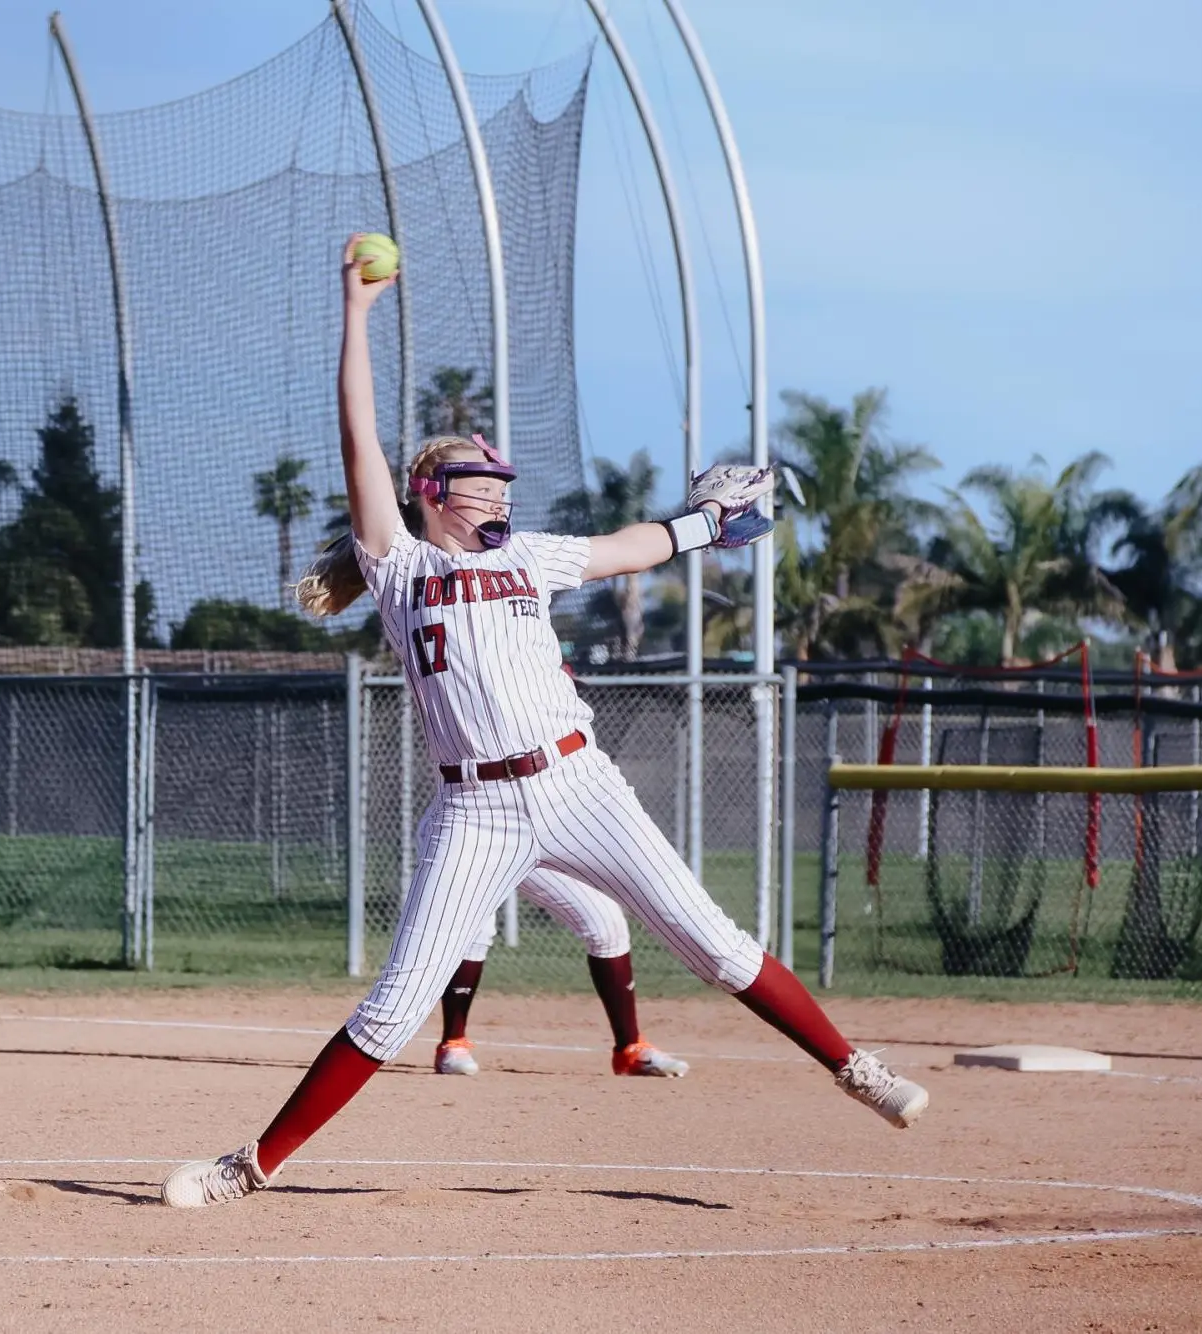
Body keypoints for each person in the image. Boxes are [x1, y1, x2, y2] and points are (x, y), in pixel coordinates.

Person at [160, 238, 927, 1208]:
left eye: (498, 475)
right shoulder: (402, 565)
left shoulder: (533, 553)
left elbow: (629, 546)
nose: (497, 486)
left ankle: (856, 1067)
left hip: (575, 781)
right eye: (478, 475)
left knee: (713, 944)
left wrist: (705, 520)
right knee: (395, 1006)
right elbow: (358, 436)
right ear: (431, 493)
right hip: (473, 811)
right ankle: (249, 1165)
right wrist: (354, 316)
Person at [434, 866, 690, 1079]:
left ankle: (630, 1050)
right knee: (476, 929)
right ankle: (452, 1043)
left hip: (536, 834)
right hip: (471, 834)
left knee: (605, 921)